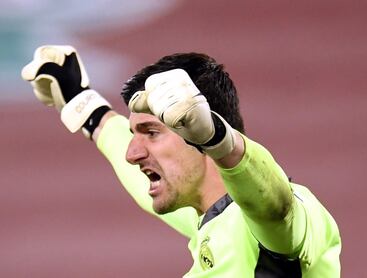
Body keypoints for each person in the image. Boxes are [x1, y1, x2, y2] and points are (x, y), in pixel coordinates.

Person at [22, 45, 341, 277]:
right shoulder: (208, 214)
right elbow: (141, 180)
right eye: (135, 134)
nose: (132, 154)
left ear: (197, 132)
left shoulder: (277, 219)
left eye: (151, 133)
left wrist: (219, 139)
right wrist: (85, 105)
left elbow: (276, 208)